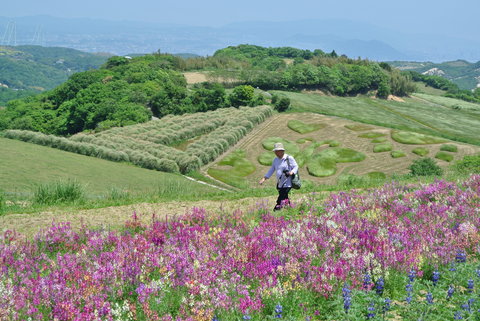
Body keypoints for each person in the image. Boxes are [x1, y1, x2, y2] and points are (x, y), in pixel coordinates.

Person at [259, 142, 299, 211]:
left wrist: (291, 172)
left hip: (288, 182)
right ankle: (291, 209)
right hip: (280, 183)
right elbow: (272, 169)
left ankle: (276, 210)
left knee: (281, 198)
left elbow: (296, 166)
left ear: (282, 151)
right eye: (275, 151)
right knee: (285, 198)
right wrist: (264, 178)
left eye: (277, 151)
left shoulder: (289, 158)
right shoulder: (275, 160)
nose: (276, 153)